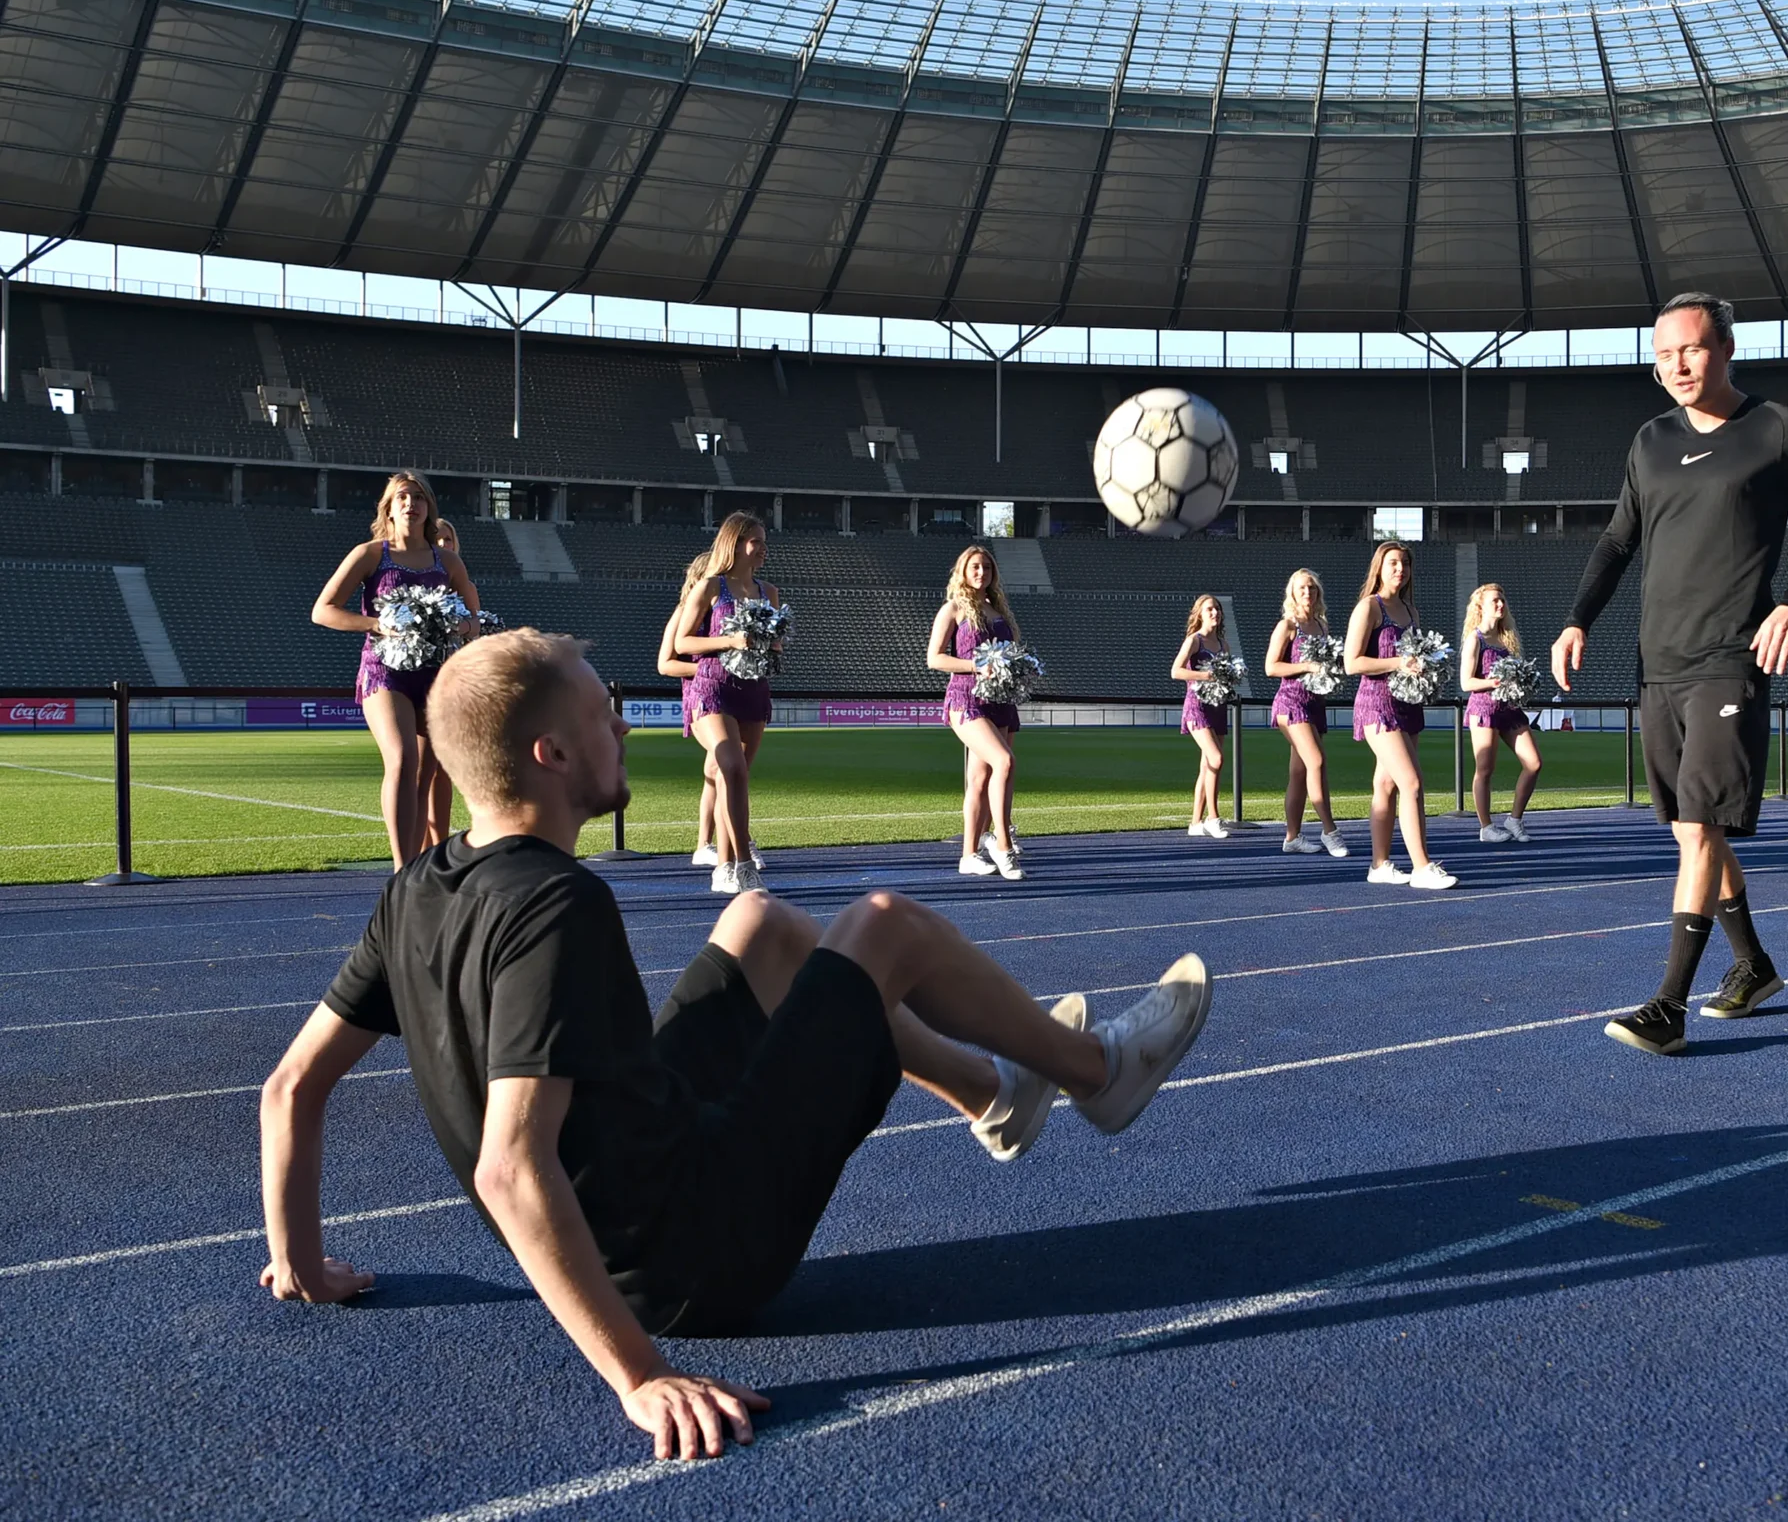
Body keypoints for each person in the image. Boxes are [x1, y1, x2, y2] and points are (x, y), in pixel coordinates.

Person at [257, 630, 1211, 1462]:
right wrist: (640, 1376)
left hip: (646, 1173)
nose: (625, 725)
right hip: (690, 1259)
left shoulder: (419, 885)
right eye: (604, 713)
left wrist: (297, 1255)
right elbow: (512, 1166)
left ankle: (991, 1094)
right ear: (550, 753)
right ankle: (1101, 1075)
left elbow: (291, 1086)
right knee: (885, 926)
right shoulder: (556, 907)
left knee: (760, 921)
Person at [1551, 291, 1788, 1054]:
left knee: (1703, 827)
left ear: (1725, 349)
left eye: (1691, 348)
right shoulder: (1649, 441)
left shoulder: (1777, 427)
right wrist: (1578, 618)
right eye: (1663, 355)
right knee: (1692, 829)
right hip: (1659, 662)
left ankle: (1668, 1006)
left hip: (1733, 657)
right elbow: (1617, 543)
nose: (1677, 365)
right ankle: (1752, 964)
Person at [310, 471, 482, 868]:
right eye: (402, 497)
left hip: (436, 675)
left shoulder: (448, 561)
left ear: (429, 508)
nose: (411, 503)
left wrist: (463, 626)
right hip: (384, 670)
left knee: (424, 777)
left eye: (419, 497)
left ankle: (422, 867)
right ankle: (402, 871)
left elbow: (476, 618)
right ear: (388, 508)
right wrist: (377, 624)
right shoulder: (370, 554)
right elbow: (323, 610)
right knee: (403, 759)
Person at [672, 515, 781, 896]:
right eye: (756, 541)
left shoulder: (769, 591)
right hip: (711, 687)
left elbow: (774, 643)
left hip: (753, 690)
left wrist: (772, 645)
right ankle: (743, 866)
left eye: (764, 541)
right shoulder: (710, 587)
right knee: (730, 768)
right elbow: (683, 644)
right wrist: (730, 641)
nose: (764, 548)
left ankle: (727, 865)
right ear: (734, 543)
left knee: (733, 779)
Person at [1344, 539, 1457, 891]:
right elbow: (1352, 663)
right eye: (1393, 562)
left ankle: (1379, 864)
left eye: (1405, 564)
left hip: (1407, 704)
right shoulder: (1369, 607)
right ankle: (1422, 867)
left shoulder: (1411, 611)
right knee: (1411, 782)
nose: (1400, 569)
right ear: (1379, 567)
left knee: (1387, 784)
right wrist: (1399, 662)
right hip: (1377, 702)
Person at [928, 544, 1026, 880]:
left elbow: (1013, 653)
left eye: (986, 566)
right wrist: (976, 667)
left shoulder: (1000, 610)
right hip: (965, 698)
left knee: (980, 779)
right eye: (974, 567)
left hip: (1001, 699)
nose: (981, 572)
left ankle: (969, 854)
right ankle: (1003, 844)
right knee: (1005, 761)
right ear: (963, 571)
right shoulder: (954, 608)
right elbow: (935, 658)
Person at [1265, 567, 1350, 857]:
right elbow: (1271, 667)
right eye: (1301, 588)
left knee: (1299, 772)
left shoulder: (1322, 626)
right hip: (1290, 702)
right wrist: (1308, 666)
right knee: (1317, 760)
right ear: (1292, 593)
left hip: (1315, 703)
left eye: (1312, 588)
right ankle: (1330, 831)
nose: (1307, 593)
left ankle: (1292, 837)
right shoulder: (1288, 625)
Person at [1459, 582, 1543, 843]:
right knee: (1485, 769)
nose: (1500, 604)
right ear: (1480, 606)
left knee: (1534, 763)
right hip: (1484, 708)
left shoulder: (1506, 638)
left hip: (1509, 708)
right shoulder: (1476, 639)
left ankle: (1514, 820)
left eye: (1502, 600)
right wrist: (1495, 683)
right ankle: (1486, 827)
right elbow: (1466, 683)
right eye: (1495, 600)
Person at [658, 552, 722, 869]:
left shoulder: (724, 613)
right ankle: (715, 842)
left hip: (731, 696)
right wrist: (711, 669)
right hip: (701, 697)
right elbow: (665, 664)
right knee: (724, 764)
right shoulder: (684, 611)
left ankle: (713, 843)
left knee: (718, 769)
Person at [1171, 594, 1234, 840]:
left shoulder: (1223, 644)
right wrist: (1205, 677)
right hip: (1196, 706)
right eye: (1209, 609)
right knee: (1217, 759)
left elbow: (1226, 675)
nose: (1215, 613)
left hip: (1217, 707)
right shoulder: (1194, 641)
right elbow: (1176, 671)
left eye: (1217, 609)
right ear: (1199, 614)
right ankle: (1213, 818)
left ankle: (1196, 822)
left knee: (1207, 765)